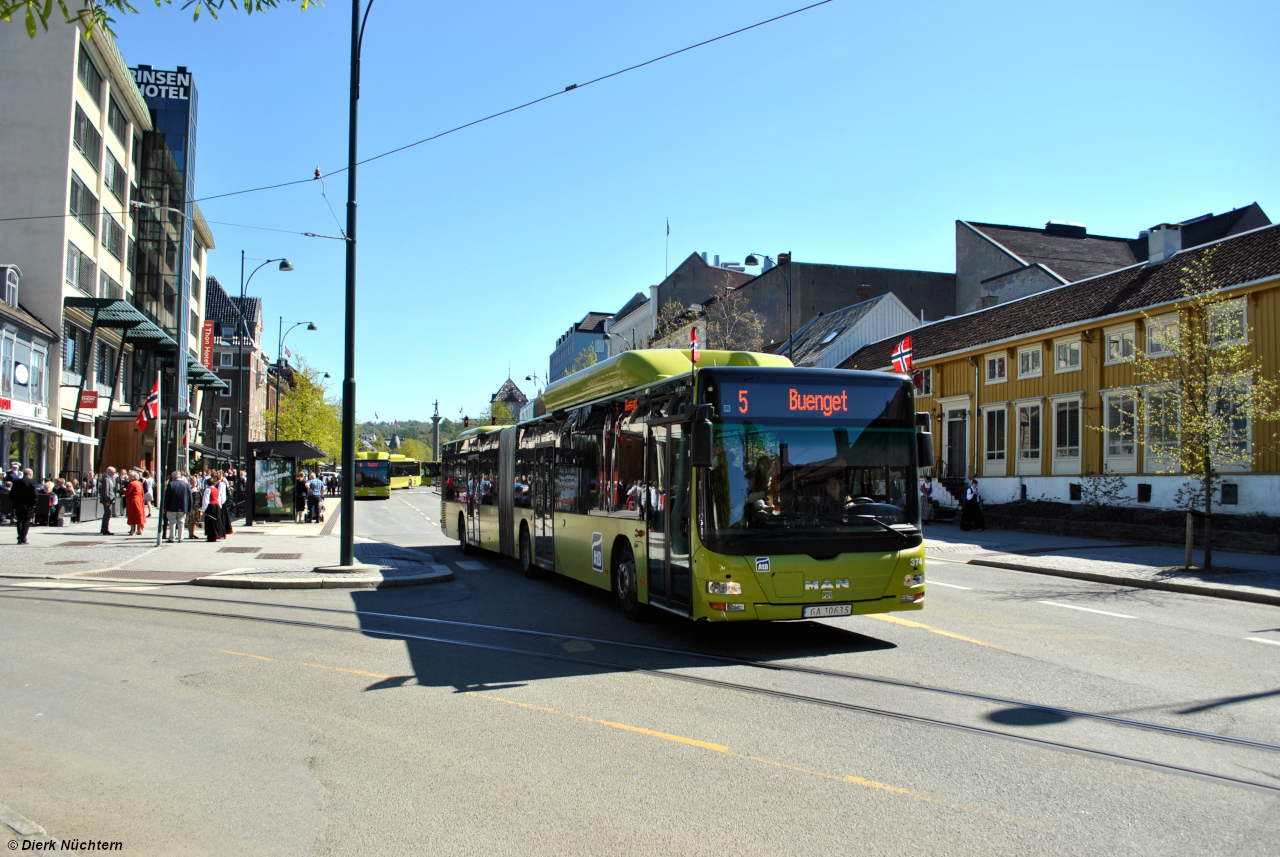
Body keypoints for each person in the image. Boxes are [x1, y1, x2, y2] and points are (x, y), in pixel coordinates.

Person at [162, 471, 192, 543]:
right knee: (181, 522)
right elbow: (190, 497)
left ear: (174, 477)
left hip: (172, 507)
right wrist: (189, 508)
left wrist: (164, 507)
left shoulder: (171, 485)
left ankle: (172, 538)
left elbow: (167, 497)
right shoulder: (186, 485)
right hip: (183, 506)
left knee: (172, 522)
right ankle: (180, 538)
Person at [9, 467, 37, 544]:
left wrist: (14, 502)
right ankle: (23, 538)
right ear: (30, 474)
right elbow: (34, 495)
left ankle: (19, 537)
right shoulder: (32, 482)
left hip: (18, 504)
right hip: (28, 505)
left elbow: (11, 494)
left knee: (19, 521)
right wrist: (34, 503)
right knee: (26, 521)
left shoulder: (16, 482)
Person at [201, 476, 224, 542]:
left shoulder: (208, 490)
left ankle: (211, 536)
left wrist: (204, 509)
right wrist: (219, 507)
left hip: (210, 506)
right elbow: (219, 499)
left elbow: (206, 500)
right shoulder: (216, 490)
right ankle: (216, 534)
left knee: (210, 522)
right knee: (215, 521)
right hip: (216, 506)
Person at [98, 467, 118, 535]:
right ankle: (105, 529)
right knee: (107, 513)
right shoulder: (106, 479)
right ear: (108, 472)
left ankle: (103, 528)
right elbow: (106, 491)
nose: (113, 474)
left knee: (107, 514)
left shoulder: (110, 479)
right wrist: (107, 500)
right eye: (112, 472)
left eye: (114, 472)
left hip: (109, 499)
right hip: (107, 499)